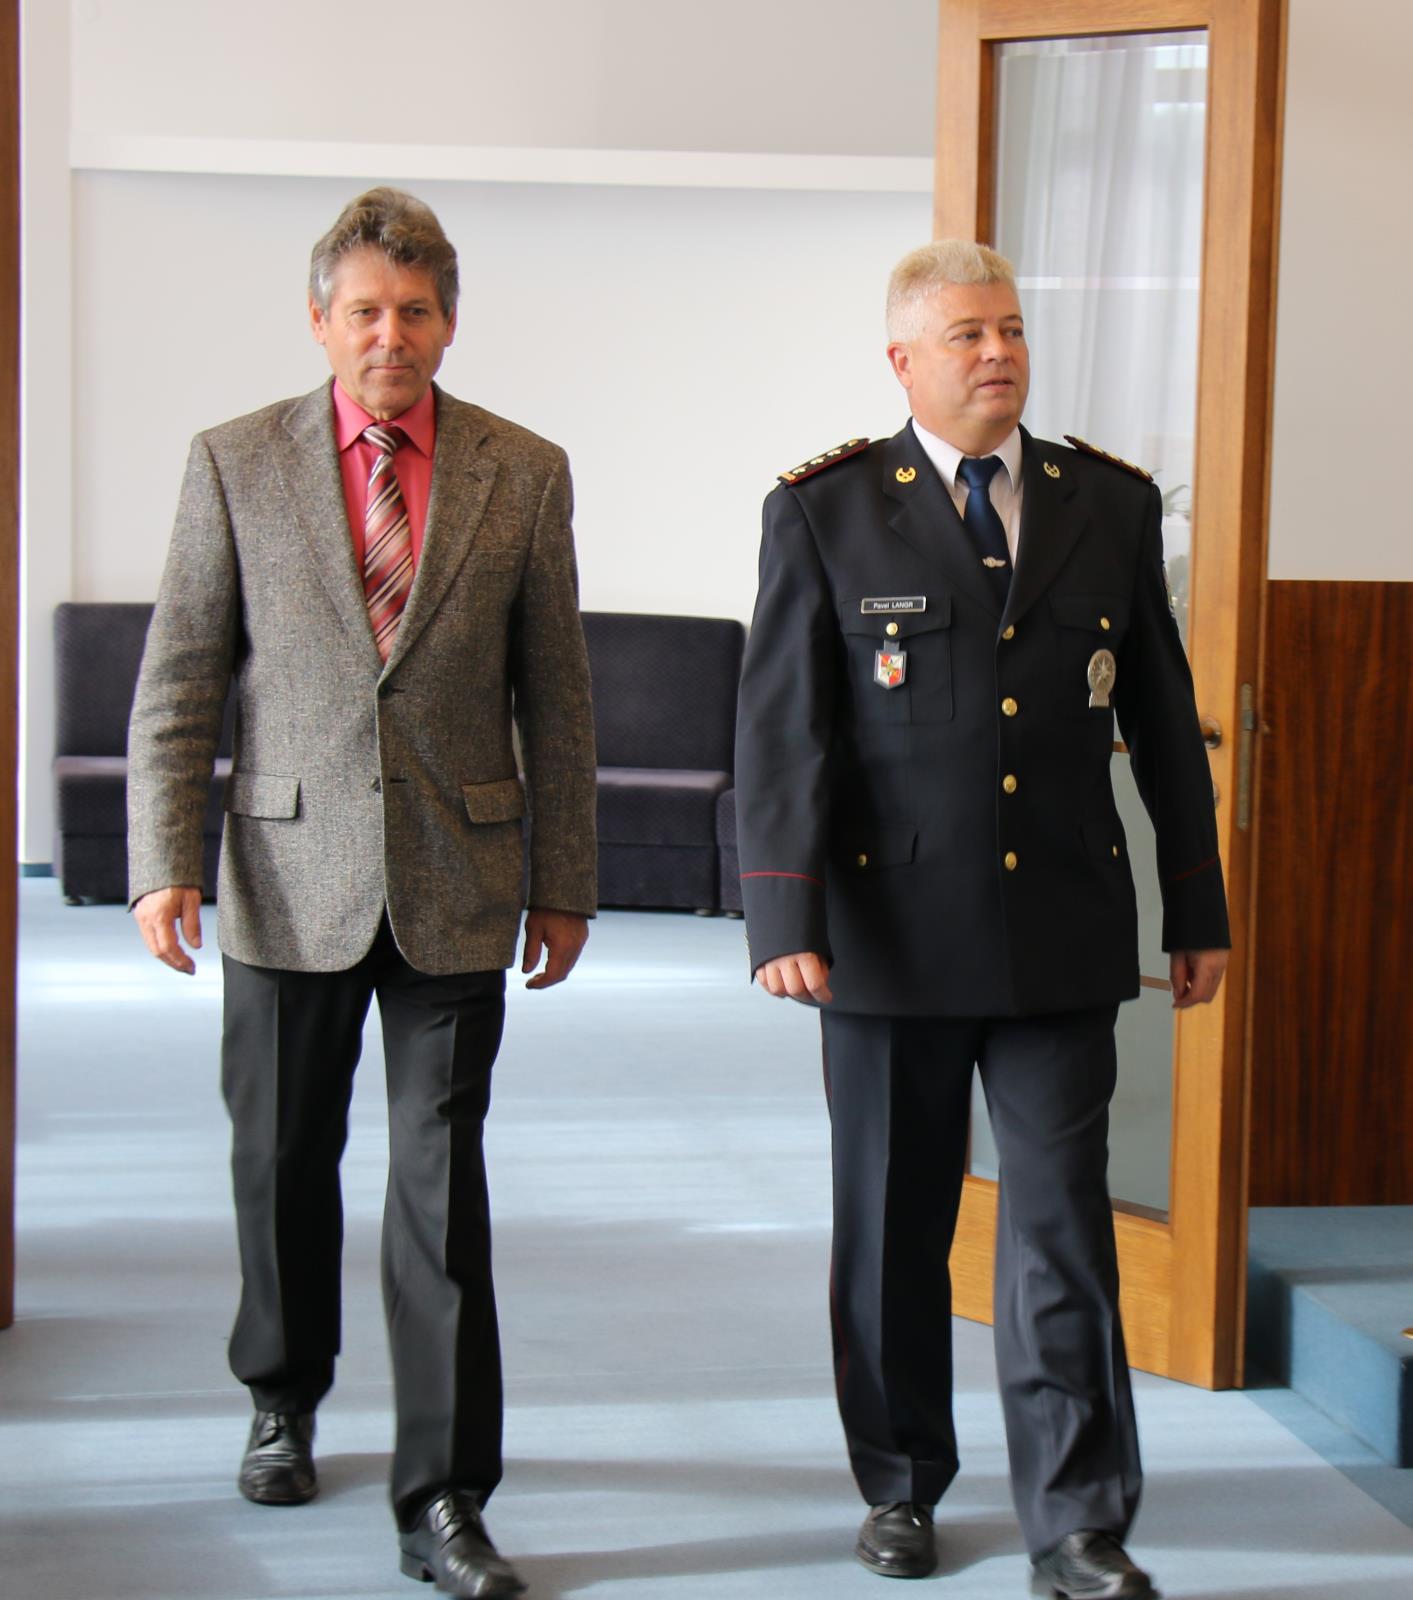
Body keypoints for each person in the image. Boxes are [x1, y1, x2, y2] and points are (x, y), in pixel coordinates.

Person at [734, 240, 1229, 1600]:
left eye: (1008, 328)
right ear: (903, 360)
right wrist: (781, 914)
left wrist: (1194, 904)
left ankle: (1076, 1523)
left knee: (1061, 1232)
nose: (997, 352)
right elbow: (782, 731)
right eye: (965, 334)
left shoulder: (1105, 504)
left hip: (1061, 929)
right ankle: (900, 1484)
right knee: (894, 1228)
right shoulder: (827, 511)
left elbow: (1163, 724)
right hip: (886, 935)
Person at [127, 188, 598, 1600]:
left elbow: (557, 697)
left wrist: (564, 883)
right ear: (320, 321)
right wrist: (163, 861)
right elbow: (181, 676)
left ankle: (445, 1496)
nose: (390, 335)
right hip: (284, 874)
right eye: (364, 311)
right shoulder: (234, 461)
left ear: (449, 323)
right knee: (281, 1160)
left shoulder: (524, 470)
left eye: (415, 311)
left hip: (461, 875)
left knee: (440, 1189)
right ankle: (281, 1393)